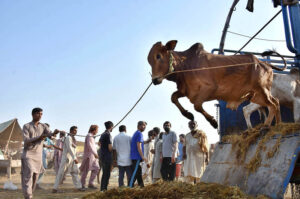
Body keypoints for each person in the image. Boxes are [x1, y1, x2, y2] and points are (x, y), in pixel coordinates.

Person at [21, 107, 59, 199]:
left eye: (41, 114)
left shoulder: (43, 126)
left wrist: (54, 133)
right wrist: (40, 137)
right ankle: (28, 195)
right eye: (38, 113)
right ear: (33, 114)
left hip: (38, 154)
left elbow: (50, 135)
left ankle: (30, 194)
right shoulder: (26, 126)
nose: (40, 115)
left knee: (35, 176)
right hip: (28, 154)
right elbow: (26, 141)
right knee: (28, 174)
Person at [53, 126, 84, 193]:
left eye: (76, 130)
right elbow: (69, 148)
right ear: (71, 130)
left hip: (72, 158)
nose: (76, 132)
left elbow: (73, 149)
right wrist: (75, 158)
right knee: (61, 173)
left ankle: (78, 187)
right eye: (75, 130)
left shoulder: (73, 138)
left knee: (74, 172)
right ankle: (55, 188)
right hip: (67, 158)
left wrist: (74, 157)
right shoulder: (68, 138)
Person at [80, 125, 100, 189]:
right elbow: (89, 145)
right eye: (97, 130)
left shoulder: (91, 136)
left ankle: (90, 183)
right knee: (85, 171)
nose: (97, 131)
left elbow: (92, 145)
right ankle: (82, 185)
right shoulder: (89, 135)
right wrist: (95, 153)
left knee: (96, 168)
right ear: (94, 130)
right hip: (89, 156)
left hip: (93, 157)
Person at [129, 121, 147, 188]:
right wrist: (142, 156)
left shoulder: (136, 133)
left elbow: (140, 143)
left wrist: (147, 141)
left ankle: (141, 186)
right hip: (136, 157)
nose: (144, 127)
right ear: (139, 126)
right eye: (143, 125)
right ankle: (130, 187)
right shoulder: (139, 134)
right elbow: (138, 146)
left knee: (138, 172)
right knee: (134, 174)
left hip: (135, 157)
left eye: (145, 126)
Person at [99, 121, 114, 191]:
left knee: (104, 173)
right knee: (107, 174)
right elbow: (110, 148)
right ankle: (104, 189)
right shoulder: (108, 135)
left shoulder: (102, 134)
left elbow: (99, 143)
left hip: (102, 156)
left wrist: (103, 148)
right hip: (107, 157)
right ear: (111, 127)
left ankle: (102, 189)